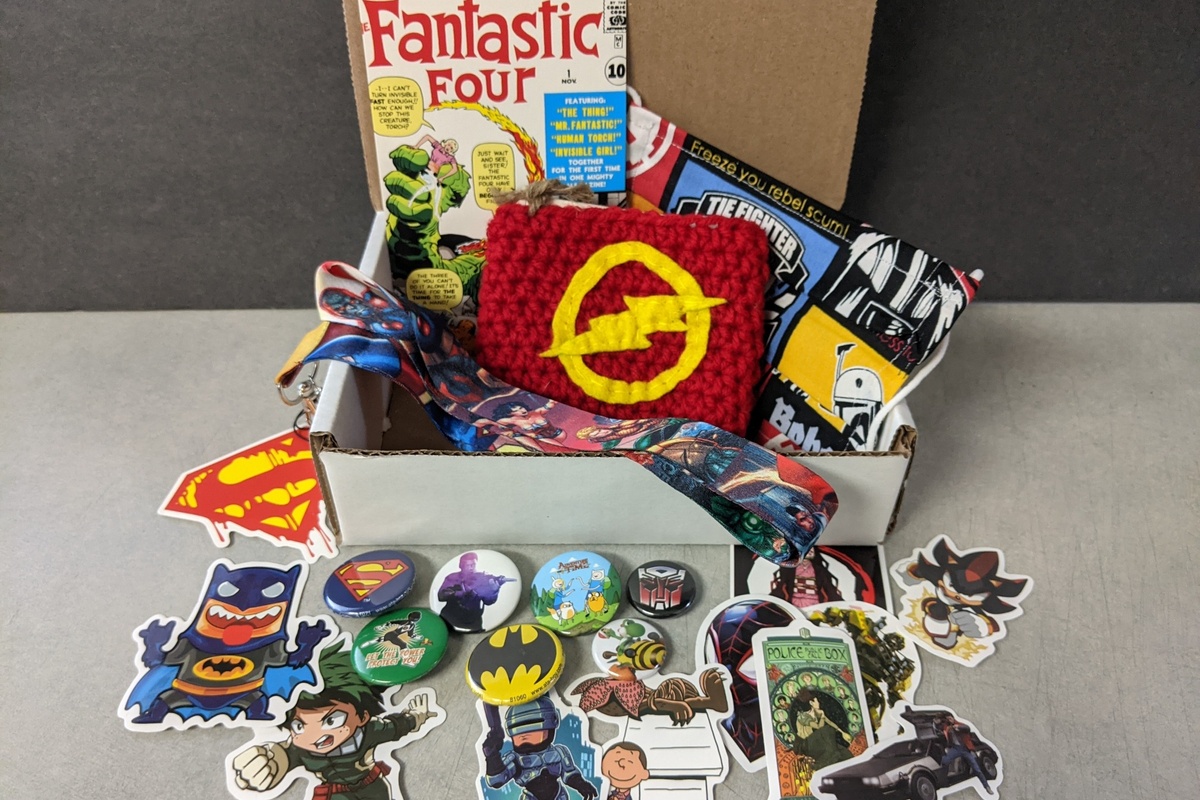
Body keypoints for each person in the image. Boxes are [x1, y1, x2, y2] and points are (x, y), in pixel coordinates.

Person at [231, 648, 437, 800]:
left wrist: (416, 716)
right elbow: (283, 756)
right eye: (299, 726)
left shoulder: (369, 731)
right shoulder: (301, 750)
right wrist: (270, 762)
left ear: (362, 716)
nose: (315, 736)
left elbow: (396, 727)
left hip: (373, 788)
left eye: (331, 720)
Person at [436, 552, 514, 632]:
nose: (471, 568)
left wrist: (494, 590)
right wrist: (460, 593)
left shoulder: (482, 578)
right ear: (461, 566)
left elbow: (488, 601)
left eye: (473, 565)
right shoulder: (452, 578)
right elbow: (441, 596)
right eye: (467, 565)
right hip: (450, 618)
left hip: (472, 621)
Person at [790, 690, 852, 773]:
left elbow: (830, 722)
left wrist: (842, 732)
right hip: (803, 745)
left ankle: (840, 758)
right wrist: (822, 716)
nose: (819, 703)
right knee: (827, 730)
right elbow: (819, 727)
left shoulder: (817, 713)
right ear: (811, 703)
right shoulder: (803, 716)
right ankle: (821, 763)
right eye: (816, 701)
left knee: (842, 751)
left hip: (814, 742)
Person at [937, 714, 994, 795]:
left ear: (953, 718)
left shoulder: (959, 725)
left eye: (950, 718)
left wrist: (957, 726)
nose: (949, 720)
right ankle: (944, 781)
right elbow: (939, 729)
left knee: (976, 768)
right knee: (945, 760)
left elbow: (967, 728)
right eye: (947, 719)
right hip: (955, 748)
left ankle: (987, 787)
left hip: (965, 748)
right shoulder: (947, 728)